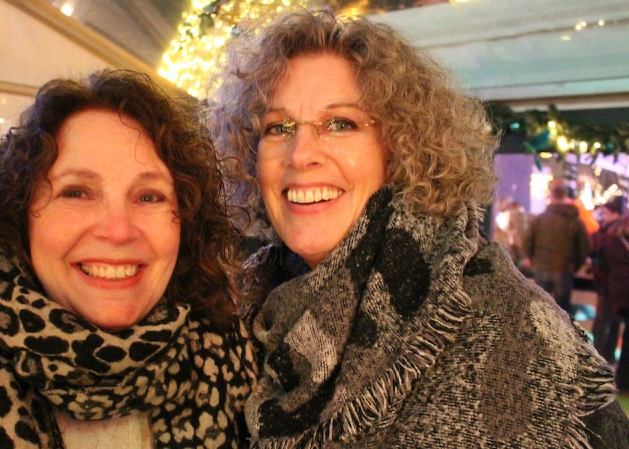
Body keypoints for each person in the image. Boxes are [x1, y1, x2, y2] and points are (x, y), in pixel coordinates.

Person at [208, 8, 629, 448]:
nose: (300, 154)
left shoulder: (509, 327)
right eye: (279, 127)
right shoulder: (236, 319)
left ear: (400, 148)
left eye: (340, 124)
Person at [0, 69, 258, 448]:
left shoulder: (244, 367)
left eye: (149, 196)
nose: (118, 230)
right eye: (77, 192)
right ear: (18, 214)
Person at [523, 178, 591, 316]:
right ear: (566, 194)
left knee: (540, 309)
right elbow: (585, 247)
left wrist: (532, 259)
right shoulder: (575, 220)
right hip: (564, 269)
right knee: (562, 312)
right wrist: (574, 265)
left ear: (551, 194)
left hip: (542, 268)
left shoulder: (540, 219)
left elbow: (527, 241)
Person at [591, 196, 623, 363]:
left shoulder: (612, 233)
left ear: (614, 213)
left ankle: (597, 358)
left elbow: (603, 259)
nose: (602, 216)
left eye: (605, 212)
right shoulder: (617, 231)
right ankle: (608, 357)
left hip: (609, 283)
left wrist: (596, 268)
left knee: (602, 323)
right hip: (617, 284)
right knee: (614, 323)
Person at [603, 208, 629, 391]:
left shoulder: (614, 240)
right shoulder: (619, 243)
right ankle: (624, 379)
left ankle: (624, 379)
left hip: (618, 292)